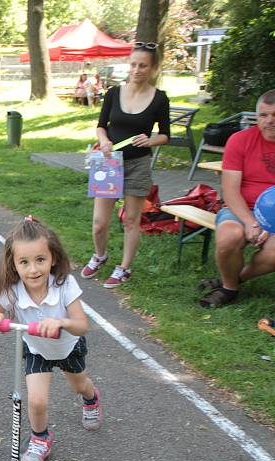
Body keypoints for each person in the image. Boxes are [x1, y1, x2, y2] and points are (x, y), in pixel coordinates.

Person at [0, 217, 100, 461]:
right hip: (37, 349)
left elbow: (82, 325)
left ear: (53, 258)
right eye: (24, 262)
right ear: (13, 264)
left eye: (40, 260)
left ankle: (90, 398)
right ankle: (40, 439)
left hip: (68, 346)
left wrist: (61, 322)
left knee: (79, 385)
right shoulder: (11, 291)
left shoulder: (63, 284)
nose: (33, 269)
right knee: (36, 400)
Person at [81, 42, 170, 288]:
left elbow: (166, 134)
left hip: (138, 164)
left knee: (132, 220)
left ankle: (125, 268)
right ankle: (100, 255)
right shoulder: (113, 94)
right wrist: (104, 140)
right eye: (133, 64)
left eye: (143, 65)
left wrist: (151, 139)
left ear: (153, 68)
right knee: (100, 223)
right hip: (109, 163)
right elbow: (101, 125)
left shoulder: (159, 99)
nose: (137, 70)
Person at [198, 89, 275, 307]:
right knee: (228, 237)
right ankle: (229, 290)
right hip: (241, 208)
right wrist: (251, 221)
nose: (269, 121)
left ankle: (233, 279)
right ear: (257, 116)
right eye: (264, 115)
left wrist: (268, 225)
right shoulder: (239, 140)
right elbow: (230, 190)